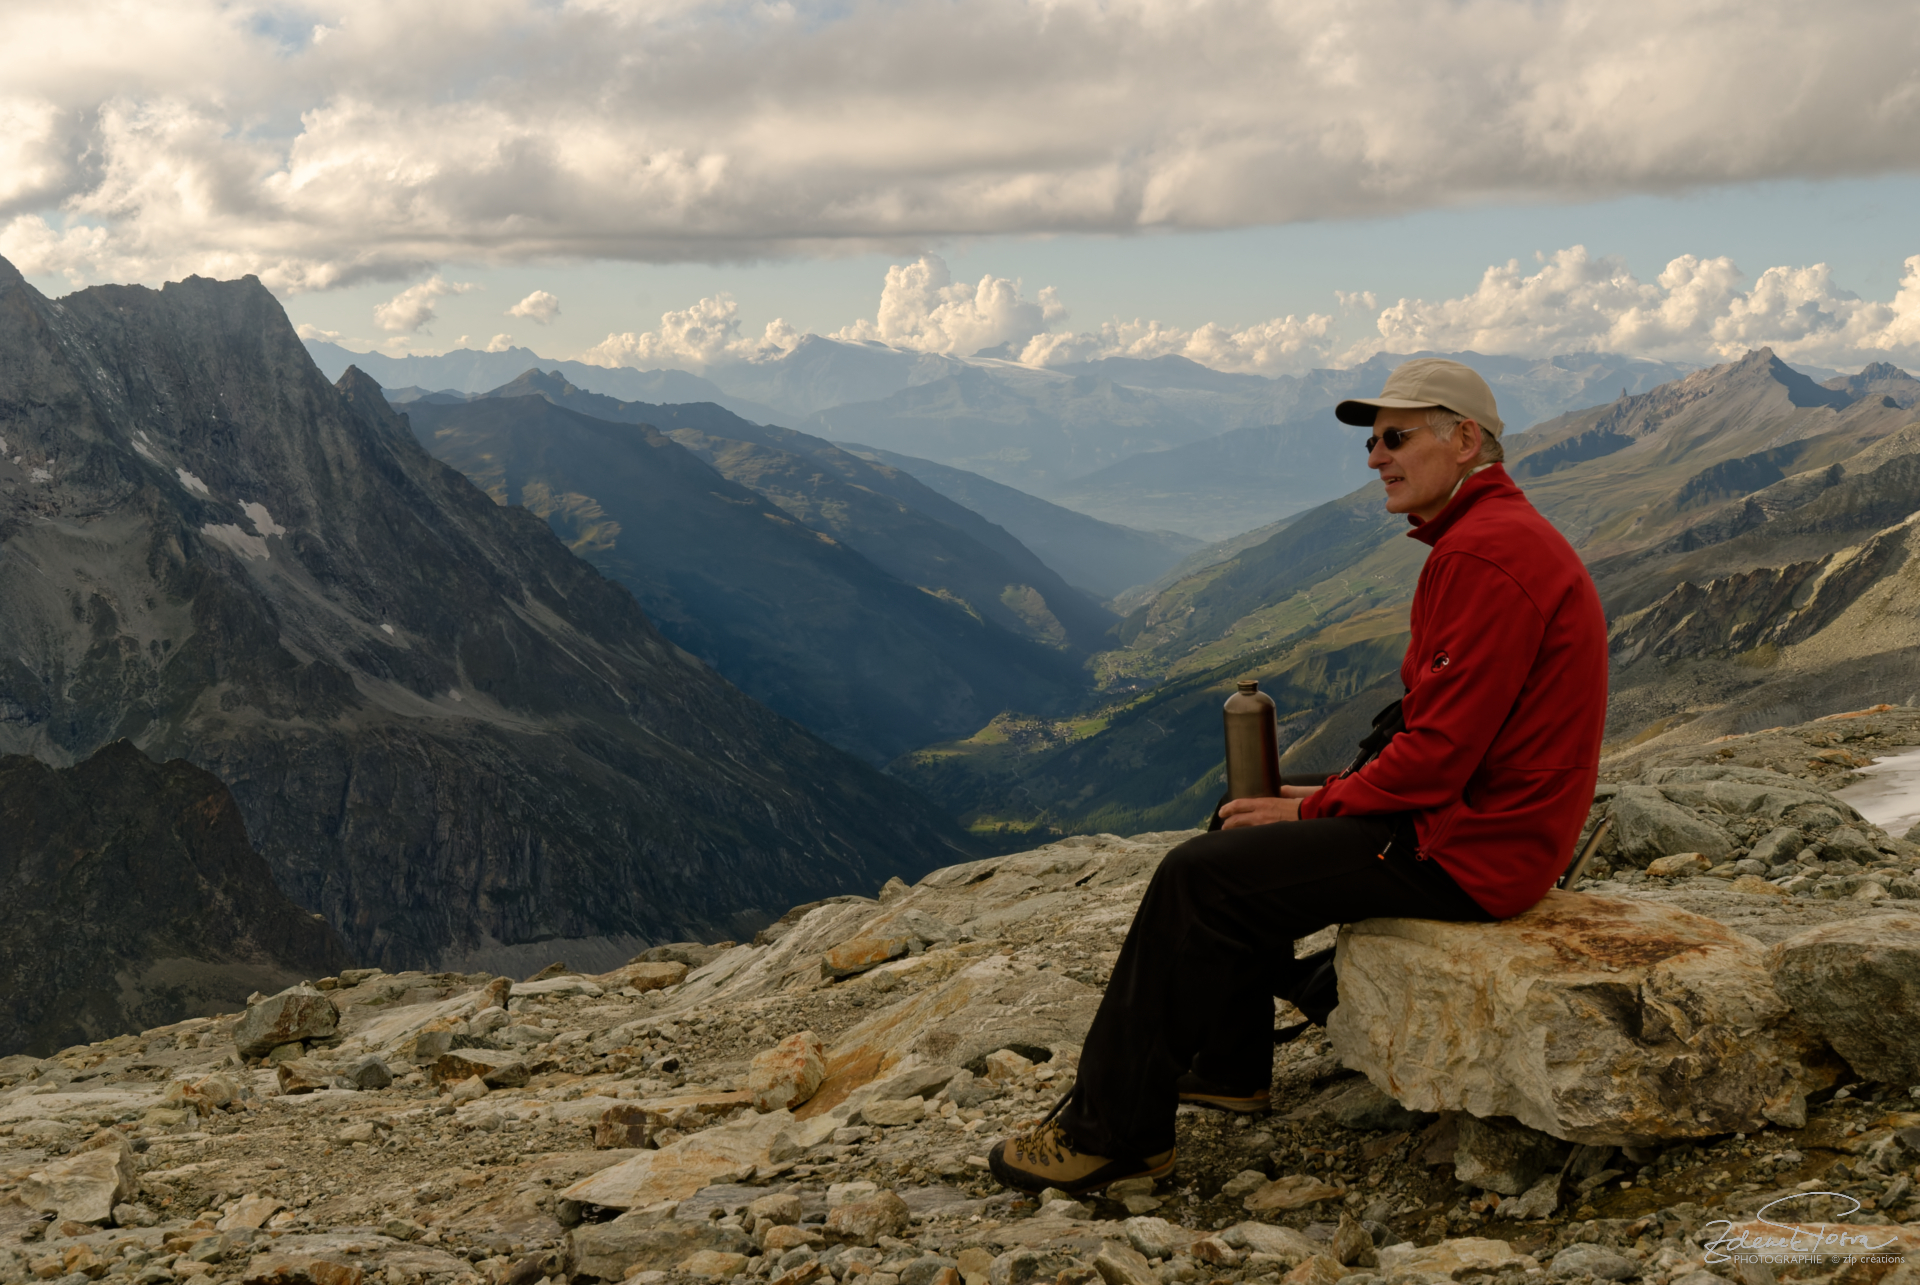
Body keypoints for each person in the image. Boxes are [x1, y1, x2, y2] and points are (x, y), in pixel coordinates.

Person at [987, 357, 1609, 1195]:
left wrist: (1316, 804)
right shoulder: (1488, 538)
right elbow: (1444, 734)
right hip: (1483, 823)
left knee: (1196, 879)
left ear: (1465, 440)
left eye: (1395, 436)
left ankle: (1114, 1136)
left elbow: (1436, 759)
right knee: (1239, 813)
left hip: (1468, 848)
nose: (1374, 456)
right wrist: (1302, 803)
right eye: (1371, 439)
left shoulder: (1485, 556)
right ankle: (1228, 1065)